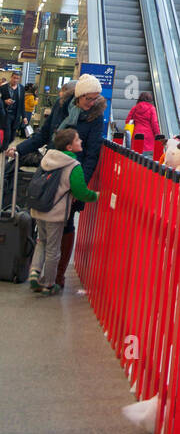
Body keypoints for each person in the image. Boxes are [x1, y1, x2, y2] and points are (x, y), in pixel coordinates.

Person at [7, 73, 105, 289]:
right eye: (89, 98)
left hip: (72, 177)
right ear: (78, 95)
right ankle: (38, 272)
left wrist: (80, 187)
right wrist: (19, 149)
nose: (92, 103)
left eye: (95, 98)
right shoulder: (61, 108)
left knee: (66, 225)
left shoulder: (96, 117)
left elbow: (92, 155)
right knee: (42, 221)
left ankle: (57, 276)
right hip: (49, 172)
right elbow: (42, 136)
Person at [28, 126, 98, 294]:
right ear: (69, 147)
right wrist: (96, 196)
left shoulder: (48, 157)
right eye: (77, 140)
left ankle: (34, 271)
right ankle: (49, 283)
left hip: (39, 208)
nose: (81, 141)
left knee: (41, 242)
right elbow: (81, 192)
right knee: (53, 248)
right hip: (55, 213)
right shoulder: (73, 166)